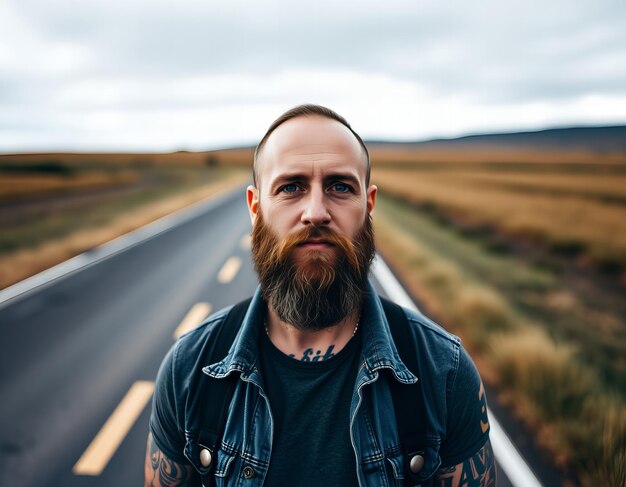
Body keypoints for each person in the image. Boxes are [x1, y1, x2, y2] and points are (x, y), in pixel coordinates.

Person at [145, 104, 496, 487]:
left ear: (368, 205)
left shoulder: (442, 372)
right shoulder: (190, 370)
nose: (315, 212)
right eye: (291, 187)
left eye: (340, 187)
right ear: (255, 208)